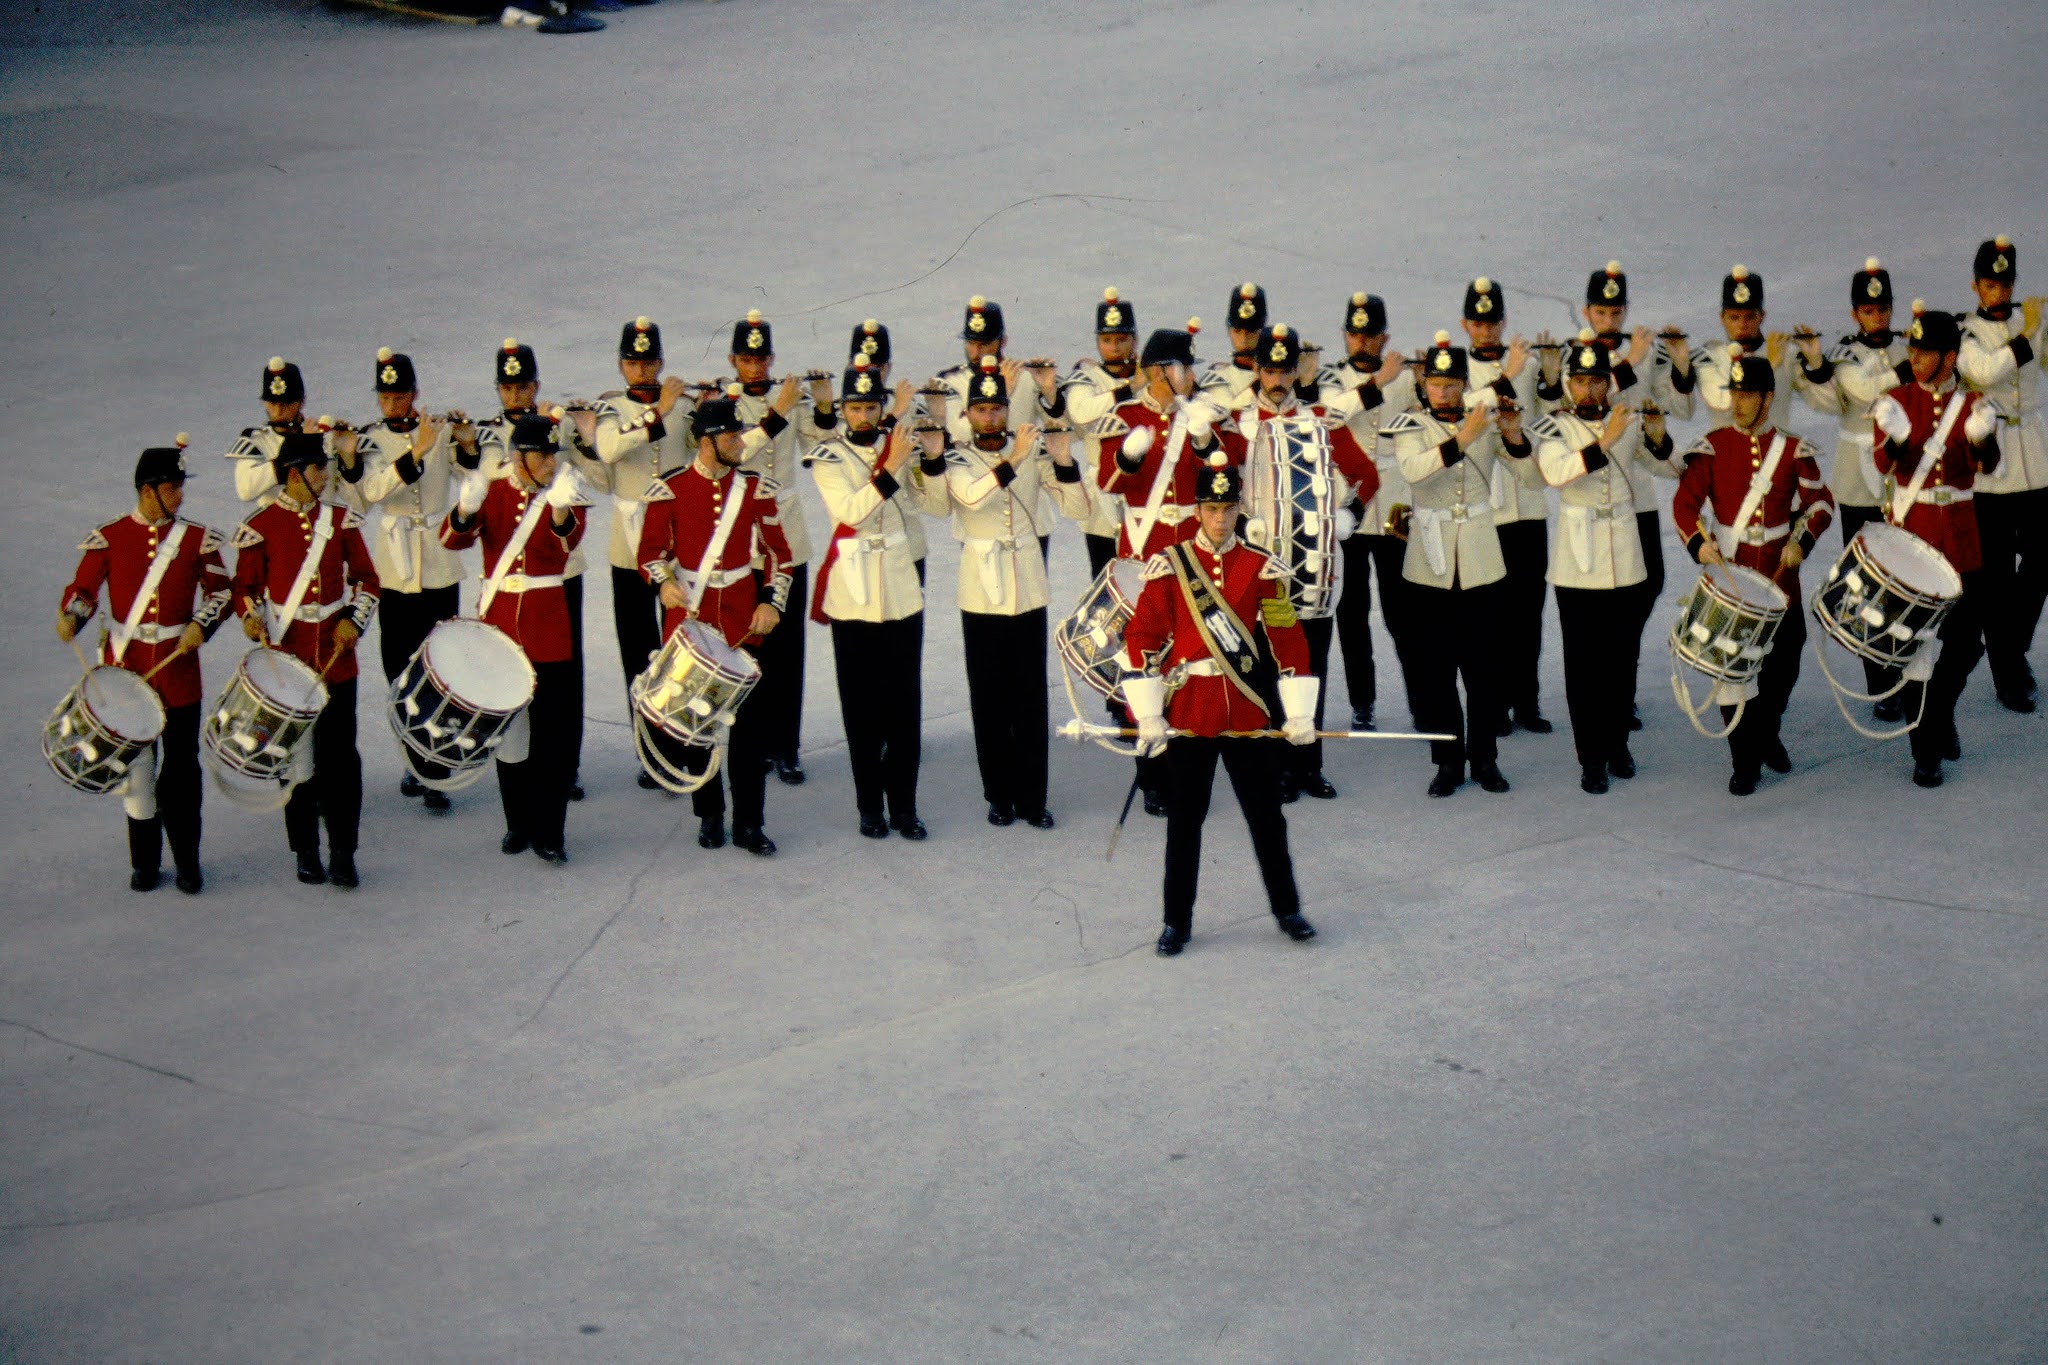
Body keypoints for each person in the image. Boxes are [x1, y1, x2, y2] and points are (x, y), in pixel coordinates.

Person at [1122, 451, 1320, 957]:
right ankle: (1175, 922)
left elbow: (1285, 634)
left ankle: (1287, 908)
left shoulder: (1259, 566)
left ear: (1238, 510)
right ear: (1197, 512)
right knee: (1185, 822)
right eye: (1211, 509)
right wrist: (1146, 711)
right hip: (1191, 711)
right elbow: (1142, 634)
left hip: (1248, 712)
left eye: (1228, 508)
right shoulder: (1171, 566)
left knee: (1267, 817)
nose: (1219, 519)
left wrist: (1299, 710)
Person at [1212, 323, 1378, 801]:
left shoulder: (1323, 420)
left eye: (1285, 370)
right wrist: (1239, 526)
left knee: (1311, 667)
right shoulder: (1239, 425)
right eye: (1269, 369)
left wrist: (1351, 512)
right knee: (1270, 667)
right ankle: (1277, 767)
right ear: (1257, 370)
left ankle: (1309, 765)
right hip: (1265, 571)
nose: (1278, 379)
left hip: (1314, 569)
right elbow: (1218, 481)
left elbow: (1365, 475)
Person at [57, 441, 231, 893]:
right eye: (172, 487)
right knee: (135, 771)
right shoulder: (112, 537)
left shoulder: (197, 539)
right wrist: (72, 615)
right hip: (127, 672)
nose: (180, 496)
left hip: (178, 673)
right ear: (147, 489)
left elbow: (221, 592)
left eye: (179, 487)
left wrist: (201, 624)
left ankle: (188, 860)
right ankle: (145, 862)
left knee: (181, 772)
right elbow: (85, 588)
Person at [636, 390, 796, 855]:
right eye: (732, 434)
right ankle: (709, 814)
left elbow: (778, 556)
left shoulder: (755, 489)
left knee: (749, 730)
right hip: (692, 621)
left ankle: (750, 823)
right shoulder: (671, 488)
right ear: (708, 440)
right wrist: (663, 584)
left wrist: (772, 604)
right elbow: (649, 554)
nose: (741, 441)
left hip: (744, 621)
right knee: (695, 727)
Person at [932, 358, 1090, 828]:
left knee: (1029, 696)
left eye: (996, 408)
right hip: (980, 588)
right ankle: (998, 794)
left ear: (1005, 409)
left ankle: (1033, 798)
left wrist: (1062, 459)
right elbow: (971, 498)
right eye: (979, 410)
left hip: (1026, 584)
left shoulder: (1032, 453)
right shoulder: (958, 458)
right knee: (989, 696)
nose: (989, 417)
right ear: (968, 414)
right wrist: (1017, 457)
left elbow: (1078, 509)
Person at [1673, 355, 1835, 794]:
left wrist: (1803, 542)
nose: (1738, 404)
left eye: (1748, 395)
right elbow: (1684, 504)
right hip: (1731, 577)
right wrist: (1697, 543)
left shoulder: (1793, 448)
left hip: (1782, 578)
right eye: (1735, 394)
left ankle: (1765, 733)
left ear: (1768, 397)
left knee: (1784, 665)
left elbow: (1821, 503)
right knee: (1731, 671)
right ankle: (1745, 761)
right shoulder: (1712, 446)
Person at [229, 432, 381, 887]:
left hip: (336, 658)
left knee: (340, 758)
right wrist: (250, 617)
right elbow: (244, 588)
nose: (326, 476)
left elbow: (368, 579)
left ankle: (343, 851)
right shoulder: (260, 527)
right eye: (318, 470)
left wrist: (354, 619)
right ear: (294, 474)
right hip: (287, 660)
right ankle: (305, 850)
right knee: (294, 758)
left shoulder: (341, 520)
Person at [807, 371, 948, 838]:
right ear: (843, 410)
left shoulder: (899, 443)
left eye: (871, 407)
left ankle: (904, 805)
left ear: (881, 406)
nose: (863, 415)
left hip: (900, 581)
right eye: (855, 408)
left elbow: (930, 505)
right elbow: (850, 511)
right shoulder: (828, 456)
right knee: (861, 704)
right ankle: (869, 805)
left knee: (904, 702)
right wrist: (894, 464)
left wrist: (929, 460)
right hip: (853, 588)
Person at [441, 414, 587, 859]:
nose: (549, 463)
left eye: (551, 455)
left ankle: (551, 831)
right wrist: (465, 511)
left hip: (548, 629)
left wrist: (560, 511)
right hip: (501, 629)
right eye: (541, 456)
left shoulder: (564, 493)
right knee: (510, 736)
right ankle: (517, 823)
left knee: (553, 737)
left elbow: (569, 544)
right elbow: (451, 542)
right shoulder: (497, 490)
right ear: (519, 458)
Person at [1388, 332, 1525, 796]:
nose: (1443, 393)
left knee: (1485, 668)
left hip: (1483, 558)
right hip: (1429, 562)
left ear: (1466, 384)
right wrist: (1464, 437)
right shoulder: (1410, 424)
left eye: (1452, 385)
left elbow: (1530, 475)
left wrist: (1512, 434)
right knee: (1436, 671)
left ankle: (1485, 757)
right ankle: (1448, 761)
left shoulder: (1483, 421)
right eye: (1435, 384)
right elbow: (1412, 471)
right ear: (1424, 384)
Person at [1532, 336, 1671, 792]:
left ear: (1609, 382)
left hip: (1625, 552)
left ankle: (1617, 746)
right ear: (1569, 384)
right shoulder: (1555, 426)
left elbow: (1670, 467)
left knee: (1621, 655)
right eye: (1580, 381)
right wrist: (1606, 440)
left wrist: (1656, 436)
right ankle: (1590, 758)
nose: (1589, 389)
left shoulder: (1626, 419)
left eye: (1597, 380)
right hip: (1577, 557)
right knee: (1583, 663)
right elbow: (1555, 474)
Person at [1872, 309, 2004, 787]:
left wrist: (1984, 438)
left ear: (1950, 357)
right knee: (1915, 650)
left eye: (1925, 352)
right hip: (1915, 536)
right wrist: (1898, 441)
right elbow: (1882, 464)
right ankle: (1925, 751)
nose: (1915, 358)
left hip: (1962, 538)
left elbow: (1988, 466)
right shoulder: (1897, 400)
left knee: (1968, 644)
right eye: (1912, 350)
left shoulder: (1972, 403)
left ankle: (1940, 715)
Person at [333, 347, 466, 810]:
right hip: (393, 567)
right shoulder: (370, 441)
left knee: (441, 666)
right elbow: (366, 495)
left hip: (438, 560)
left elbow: (470, 472)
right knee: (399, 668)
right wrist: (414, 452)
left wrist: (464, 440)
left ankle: (437, 767)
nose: (392, 403)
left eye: (400, 394)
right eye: (385, 396)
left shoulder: (441, 431)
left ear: (414, 393)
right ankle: (418, 759)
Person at [464, 338, 593, 798]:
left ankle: (566, 765)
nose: (515, 394)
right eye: (507, 386)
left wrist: (582, 433)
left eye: (523, 386)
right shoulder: (486, 434)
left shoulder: (558, 425)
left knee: (563, 675)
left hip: (560, 567)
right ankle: (519, 782)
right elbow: (479, 490)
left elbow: (584, 477)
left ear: (536, 385)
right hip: (507, 574)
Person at [1794, 259, 1913, 715]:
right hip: (1859, 480)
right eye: (1867, 310)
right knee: (1866, 583)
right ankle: (1880, 683)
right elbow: (1860, 391)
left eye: (1882, 308)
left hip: (1904, 474)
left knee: (1904, 578)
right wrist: (1816, 363)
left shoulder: (1905, 345)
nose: (1877, 316)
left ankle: (1905, 671)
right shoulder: (1844, 356)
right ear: (1854, 315)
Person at [594, 316, 696, 789]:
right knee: (638, 650)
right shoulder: (610, 410)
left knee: (682, 649)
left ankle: (685, 741)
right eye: (633, 362)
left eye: (649, 361)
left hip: (677, 545)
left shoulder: (686, 406)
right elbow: (611, 451)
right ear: (621, 366)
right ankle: (651, 751)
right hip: (627, 547)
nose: (642, 369)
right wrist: (659, 412)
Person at [720, 310, 816, 785]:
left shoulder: (791, 399)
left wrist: (819, 403)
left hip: (788, 535)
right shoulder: (723, 401)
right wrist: (778, 410)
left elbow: (819, 443)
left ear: (771, 357)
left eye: (761, 357)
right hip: (744, 540)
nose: (754, 366)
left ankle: (787, 745)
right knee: (749, 646)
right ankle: (752, 743)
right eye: (746, 358)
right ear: (733, 359)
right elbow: (736, 451)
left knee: (789, 648)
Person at [1317, 291, 1416, 732]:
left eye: (1371, 335)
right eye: (1355, 334)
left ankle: (1422, 701)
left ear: (1384, 337)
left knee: (1404, 611)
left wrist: (1402, 377)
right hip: (1349, 506)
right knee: (1351, 613)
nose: (1362, 342)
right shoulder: (1329, 380)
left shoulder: (1409, 379)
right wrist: (1379, 383)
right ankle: (1363, 703)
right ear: (1344, 336)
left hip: (1395, 502)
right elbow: (1329, 414)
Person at [1958, 234, 2048, 714]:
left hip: (2034, 452)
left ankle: (2010, 645)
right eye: (1991, 284)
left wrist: (2040, 328)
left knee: (2042, 556)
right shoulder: (1968, 330)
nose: (2000, 291)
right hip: (1992, 462)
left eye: (2006, 282)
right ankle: (2009, 676)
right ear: (1976, 286)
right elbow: (1986, 372)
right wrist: (2030, 332)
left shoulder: (2028, 320)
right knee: (1995, 575)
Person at [1459, 276, 1551, 733]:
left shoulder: (1528, 366)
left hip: (1528, 506)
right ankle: (1492, 704)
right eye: (1477, 322)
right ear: (1464, 325)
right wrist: (1507, 375)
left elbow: (1547, 414)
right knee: (1490, 615)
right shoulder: (1458, 369)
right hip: (1487, 512)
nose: (1486, 329)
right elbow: (1471, 408)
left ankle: (1527, 701)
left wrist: (1542, 372)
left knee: (1528, 612)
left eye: (1493, 320)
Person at [1057, 287, 1142, 578]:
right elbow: (1081, 411)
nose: (1115, 348)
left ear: (1135, 340)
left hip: (1143, 486)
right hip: (1101, 491)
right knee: (1105, 575)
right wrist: (1129, 389)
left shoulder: (1148, 375)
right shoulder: (1087, 377)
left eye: (1122, 340)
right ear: (1097, 342)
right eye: (1107, 340)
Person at [1693, 265, 1802, 431]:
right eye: (1734, 317)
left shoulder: (1787, 353)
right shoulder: (1709, 358)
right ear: (1722, 318)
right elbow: (1723, 402)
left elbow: (1827, 401)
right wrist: (1769, 365)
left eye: (1750, 317)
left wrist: (1816, 363)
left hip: (1776, 451)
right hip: (1727, 454)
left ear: (1762, 317)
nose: (1742, 325)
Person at [226, 357, 318, 506]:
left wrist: (351, 463)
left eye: (287, 403)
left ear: (302, 402)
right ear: (265, 402)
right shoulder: (256, 441)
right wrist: (298, 447)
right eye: (273, 403)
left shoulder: (324, 438)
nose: (278, 411)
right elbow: (245, 491)